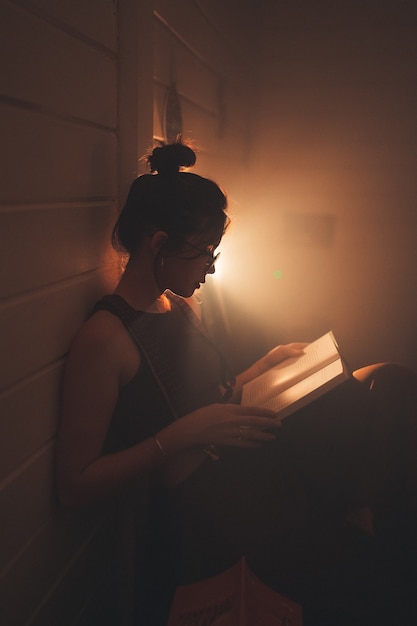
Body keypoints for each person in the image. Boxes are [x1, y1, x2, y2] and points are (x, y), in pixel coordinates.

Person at [56, 140, 417, 625]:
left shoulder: (178, 305)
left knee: (386, 384)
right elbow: (75, 483)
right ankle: (357, 517)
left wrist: (263, 367)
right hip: (209, 502)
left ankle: (359, 510)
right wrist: (181, 435)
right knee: (377, 553)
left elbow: (208, 399)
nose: (211, 267)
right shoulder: (106, 338)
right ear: (159, 244)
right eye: (204, 252)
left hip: (249, 465)